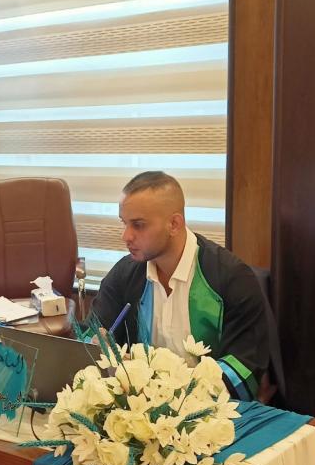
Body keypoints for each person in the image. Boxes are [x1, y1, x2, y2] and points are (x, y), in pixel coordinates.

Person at [91, 171, 269, 401]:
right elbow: (91, 336)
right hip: (140, 406)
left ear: (174, 224)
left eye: (138, 225)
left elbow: (243, 368)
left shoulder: (231, 277)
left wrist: (173, 394)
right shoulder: (124, 274)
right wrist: (101, 348)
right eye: (124, 223)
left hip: (210, 410)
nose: (126, 236)